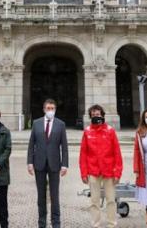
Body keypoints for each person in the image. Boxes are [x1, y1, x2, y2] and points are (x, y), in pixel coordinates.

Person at [27, 98, 69, 228]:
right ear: (44, 109)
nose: (50, 111)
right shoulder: (36, 123)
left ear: (55, 110)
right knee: (41, 196)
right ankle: (42, 222)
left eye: (52, 108)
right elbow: (31, 144)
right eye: (48, 108)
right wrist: (29, 162)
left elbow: (64, 146)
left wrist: (65, 164)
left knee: (54, 195)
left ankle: (56, 223)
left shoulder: (60, 124)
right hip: (39, 163)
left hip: (55, 163)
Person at [79, 104, 122, 228]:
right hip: (93, 171)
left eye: (97, 115)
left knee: (110, 200)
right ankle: (96, 224)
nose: (95, 117)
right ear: (90, 117)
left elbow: (117, 153)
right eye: (93, 115)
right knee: (94, 201)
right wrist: (83, 172)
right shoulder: (87, 132)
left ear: (102, 115)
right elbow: (83, 154)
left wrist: (117, 172)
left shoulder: (110, 131)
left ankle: (111, 224)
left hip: (109, 171)